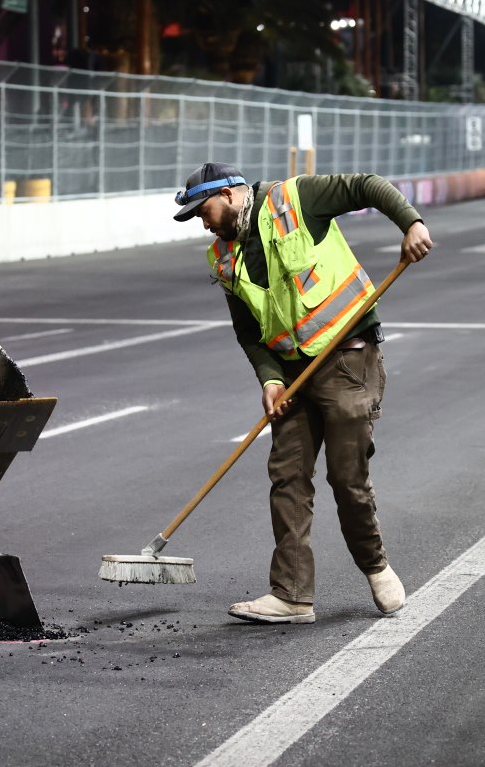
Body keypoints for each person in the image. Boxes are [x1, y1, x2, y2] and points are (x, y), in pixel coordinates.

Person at [173, 163, 433, 624]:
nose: (203, 221)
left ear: (231, 194)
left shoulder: (295, 199)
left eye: (205, 210)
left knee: (345, 477)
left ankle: (375, 567)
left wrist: (411, 223)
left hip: (347, 359)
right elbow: (249, 333)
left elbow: (365, 186)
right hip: (293, 373)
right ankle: (292, 594)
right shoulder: (223, 257)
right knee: (287, 476)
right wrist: (270, 380)